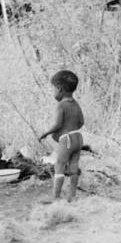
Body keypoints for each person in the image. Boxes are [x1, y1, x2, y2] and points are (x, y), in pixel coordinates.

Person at [39, 70, 84, 203]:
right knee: (74, 166)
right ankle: (73, 195)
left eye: (53, 88)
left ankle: (56, 197)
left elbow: (57, 124)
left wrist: (46, 133)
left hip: (67, 139)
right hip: (78, 137)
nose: (52, 91)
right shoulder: (76, 104)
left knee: (59, 165)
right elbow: (82, 122)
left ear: (59, 88)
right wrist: (72, 127)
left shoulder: (61, 105)